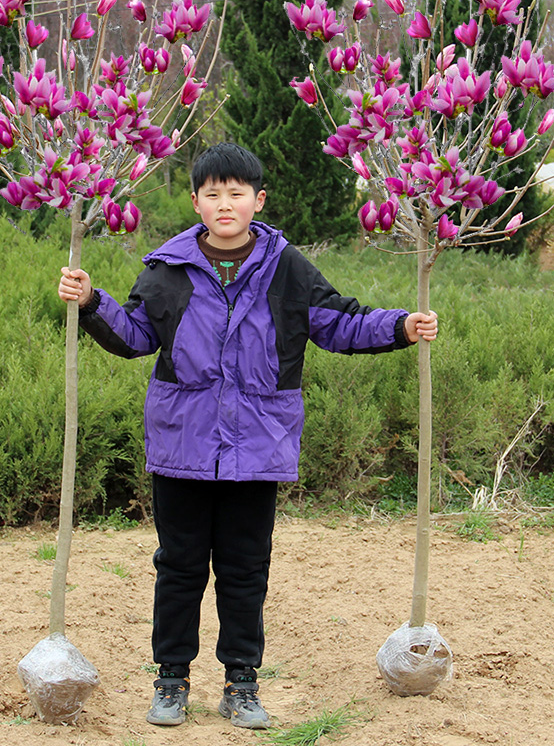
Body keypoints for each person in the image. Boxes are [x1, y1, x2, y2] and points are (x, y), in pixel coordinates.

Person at [57, 143, 438, 730]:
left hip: (258, 449)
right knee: (179, 566)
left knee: (244, 569)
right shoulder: (168, 268)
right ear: (196, 202)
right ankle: (171, 681)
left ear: (258, 201)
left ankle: (241, 683)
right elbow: (134, 335)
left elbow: (337, 322)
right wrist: (91, 302)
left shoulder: (287, 268)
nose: (225, 203)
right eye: (213, 194)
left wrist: (400, 326)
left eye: (237, 193)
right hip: (181, 448)